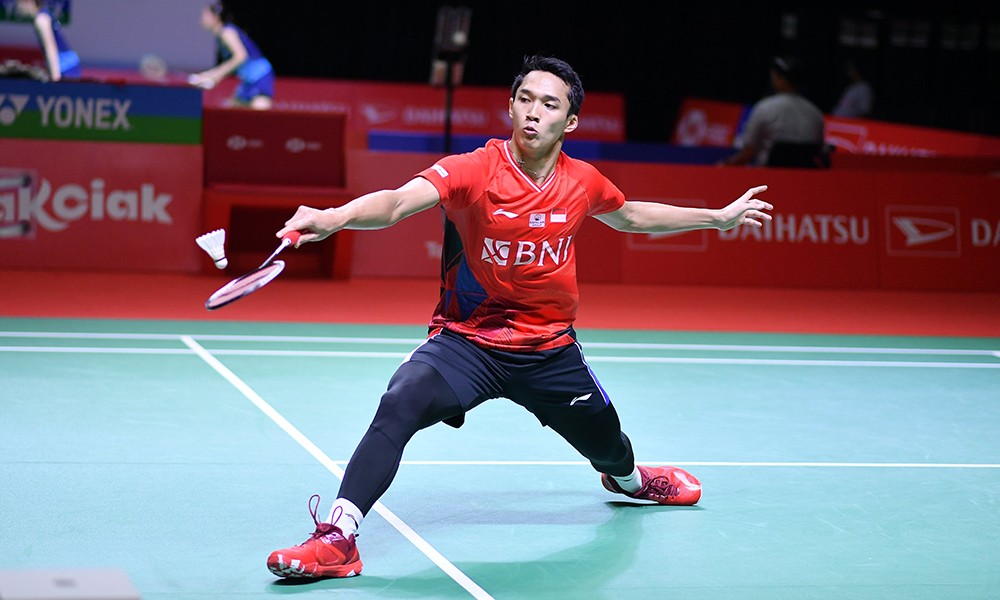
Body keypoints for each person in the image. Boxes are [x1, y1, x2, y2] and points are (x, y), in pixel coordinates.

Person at [266, 55, 773, 579]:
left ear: (570, 122)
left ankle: (631, 482)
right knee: (401, 401)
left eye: (549, 105)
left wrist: (717, 217)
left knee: (609, 445)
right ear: (510, 107)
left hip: (549, 350)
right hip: (468, 342)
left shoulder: (582, 181)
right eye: (525, 100)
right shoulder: (474, 170)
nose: (533, 112)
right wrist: (335, 217)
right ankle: (338, 539)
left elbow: (631, 216)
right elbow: (397, 202)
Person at [721, 56, 825, 168]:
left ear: (780, 79)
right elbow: (818, 151)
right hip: (805, 175)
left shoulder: (764, 108)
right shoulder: (816, 112)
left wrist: (725, 165)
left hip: (769, 175)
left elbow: (749, 152)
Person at [188, 1, 274, 109]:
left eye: (205, 15)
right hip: (247, 80)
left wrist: (215, 76)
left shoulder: (227, 32)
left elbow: (241, 56)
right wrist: (210, 75)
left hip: (260, 76)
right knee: (232, 110)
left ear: (215, 18)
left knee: (258, 114)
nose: (202, 19)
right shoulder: (220, 36)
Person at [14, 0, 81, 82]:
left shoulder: (41, 20)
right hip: (67, 64)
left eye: (20, 2)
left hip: (64, 67)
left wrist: (55, 78)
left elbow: (50, 49)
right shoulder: (44, 15)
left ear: (30, 1)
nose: (17, 6)